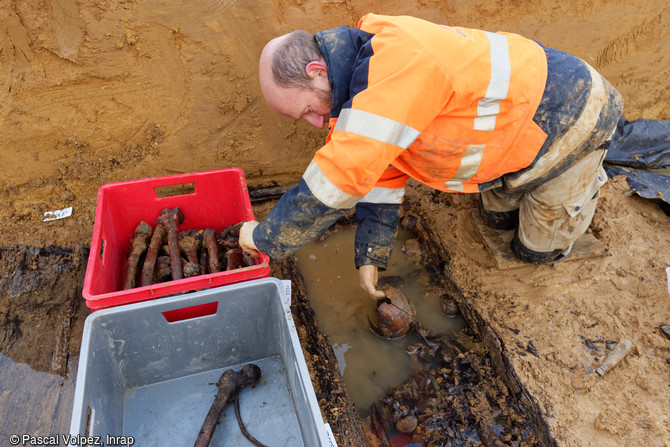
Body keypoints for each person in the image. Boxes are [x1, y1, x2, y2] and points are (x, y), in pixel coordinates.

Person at [239, 13, 623, 299]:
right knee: (495, 219)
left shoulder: (397, 63)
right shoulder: (366, 93)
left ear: (316, 71)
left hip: (573, 113)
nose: (315, 122)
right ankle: (524, 185)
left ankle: (580, 182)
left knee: (535, 252)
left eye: (307, 110)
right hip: (517, 130)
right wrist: (371, 254)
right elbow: (382, 173)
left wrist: (267, 237)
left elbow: (342, 175)